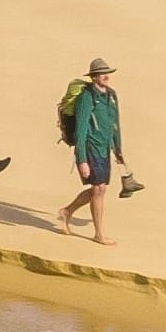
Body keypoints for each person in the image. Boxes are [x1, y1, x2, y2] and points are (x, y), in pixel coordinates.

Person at [60, 56, 126, 238]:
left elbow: (115, 124)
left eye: (106, 73)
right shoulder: (86, 98)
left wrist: (118, 149)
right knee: (98, 189)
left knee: (100, 188)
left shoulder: (111, 95)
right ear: (93, 77)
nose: (105, 76)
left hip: (104, 148)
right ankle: (99, 233)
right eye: (101, 74)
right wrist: (81, 160)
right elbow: (81, 130)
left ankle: (67, 211)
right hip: (90, 148)